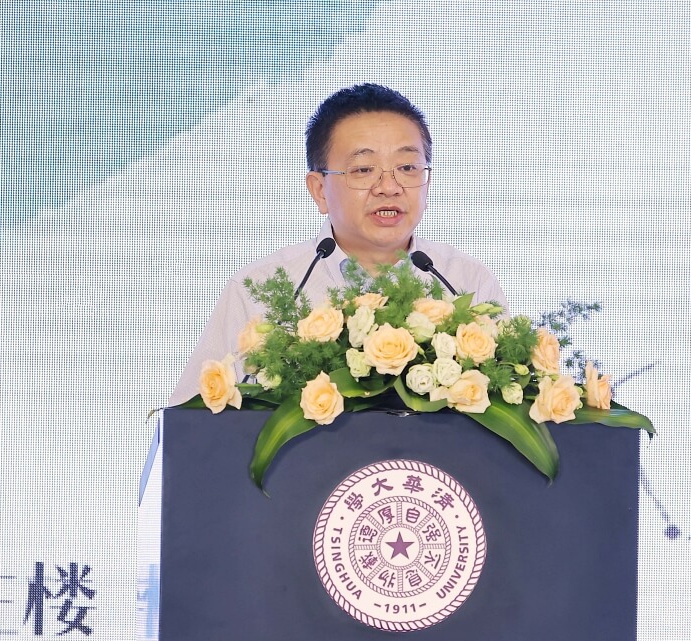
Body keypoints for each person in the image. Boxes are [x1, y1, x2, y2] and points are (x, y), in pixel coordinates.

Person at [168, 83, 508, 405]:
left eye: (407, 167)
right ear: (319, 190)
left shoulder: (466, 282)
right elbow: (192, 422)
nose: (388, 187)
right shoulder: (259, 290)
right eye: (363, 170)